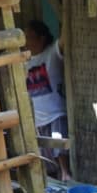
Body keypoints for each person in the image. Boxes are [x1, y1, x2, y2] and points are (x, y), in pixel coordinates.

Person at [24, 20, 71, 181]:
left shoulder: (52, 53)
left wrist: (65, 16)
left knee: (59, 148)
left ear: (41, 38)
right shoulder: (25, 61)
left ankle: (65, 174)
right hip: (36, 117)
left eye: (29, 37)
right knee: (45, 156)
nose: (26, 41)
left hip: (55, 113)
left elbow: (64, 40)